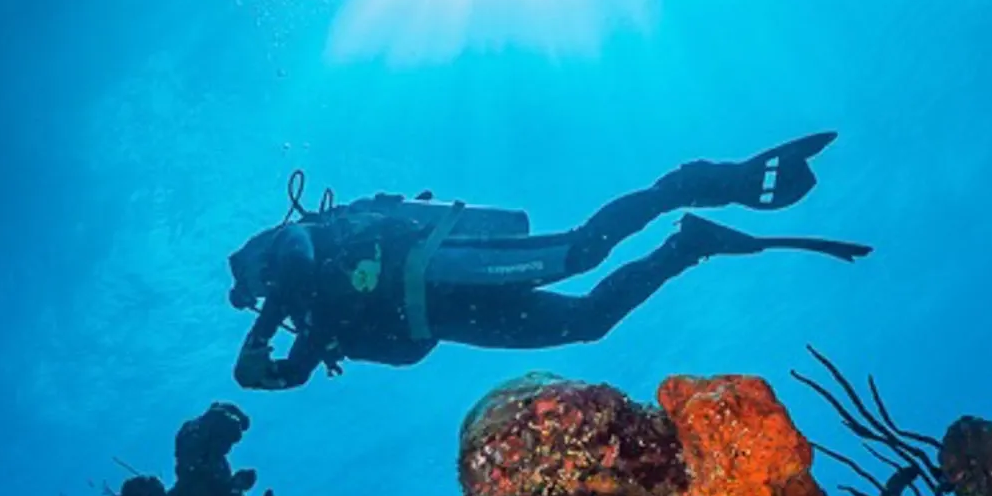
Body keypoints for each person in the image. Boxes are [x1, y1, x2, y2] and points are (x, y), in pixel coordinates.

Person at [226, 132, 870, 390]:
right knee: (587, 322)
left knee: (580, 252)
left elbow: (295, 264)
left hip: (441, 268)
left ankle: (687, 184)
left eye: (255, 286)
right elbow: (300, 371)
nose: (261, 294)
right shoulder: (309, 316)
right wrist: (270, 376)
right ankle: (687, 244)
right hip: (448, 320)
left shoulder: (294, 244)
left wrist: (255, 340)